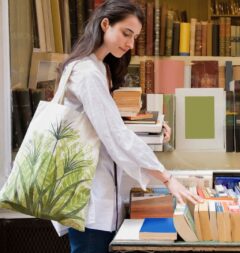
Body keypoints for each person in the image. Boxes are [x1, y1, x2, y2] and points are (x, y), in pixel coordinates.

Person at [53, 1, 202, 252]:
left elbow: (104, 124)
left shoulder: (98, 68)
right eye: (126, 33)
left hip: (96, 200)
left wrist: (151, 127)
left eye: (135, 37)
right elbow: (114, 135)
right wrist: (167, 178)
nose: (130, 44)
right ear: (105, 24)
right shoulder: (87, 72)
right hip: (88, 204)